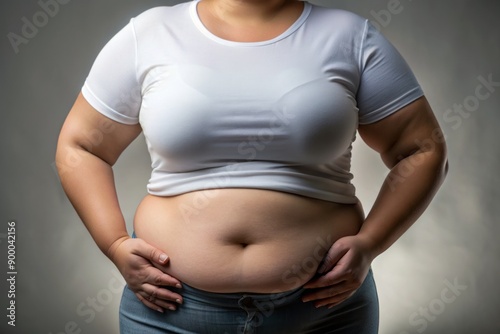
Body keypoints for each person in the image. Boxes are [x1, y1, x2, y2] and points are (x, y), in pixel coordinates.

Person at [55, 0, 448, 333]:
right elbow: (81, 146)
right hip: (169, 310)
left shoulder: (350, 37)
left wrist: (371, 243)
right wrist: (114, 243)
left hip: (325, 311)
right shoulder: (151, 34)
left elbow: (421, 149)